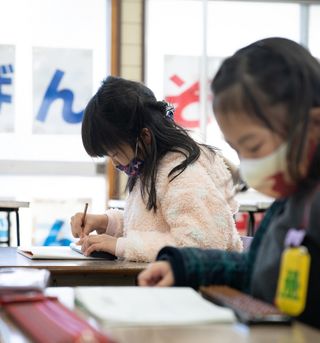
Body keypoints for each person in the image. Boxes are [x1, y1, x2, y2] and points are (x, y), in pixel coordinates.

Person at [138, 38, 320, 329]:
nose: (247, 165)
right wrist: (184, 266)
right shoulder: (292, 196)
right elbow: (258, 269)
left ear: (313, 125)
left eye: (254, 146)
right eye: (237, 149)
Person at [70, 76, 242, 262]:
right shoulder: (152, 167)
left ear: (144, 137)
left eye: (115, 153)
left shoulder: (182, 171)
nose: (115, 163)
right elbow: (151, 225)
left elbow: (199, 243)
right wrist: (105, 222)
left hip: (200, 288)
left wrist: (120, 245)